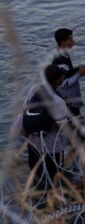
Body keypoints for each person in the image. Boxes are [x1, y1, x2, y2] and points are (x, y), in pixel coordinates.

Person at [10, 64, 69, 203]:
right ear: (56, 81)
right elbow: (63, 128)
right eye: (61, 76)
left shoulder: (34, 89)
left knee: (35, 172)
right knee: (55, 175)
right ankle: (55, 202)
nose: (63, 77)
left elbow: (26, 110)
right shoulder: (58, 101)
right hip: (51, 145)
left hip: (32, 142)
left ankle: (36, 199)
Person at [52, 28, 85, 116]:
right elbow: (63, 84)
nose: (73, 42)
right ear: (62, 42)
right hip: (67, 100)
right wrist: (79, 73)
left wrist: (77, 69)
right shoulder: (59, 60)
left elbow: (67, 73)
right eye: (70, 40)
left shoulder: (64, 55)